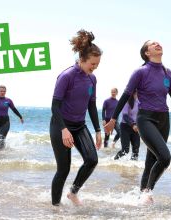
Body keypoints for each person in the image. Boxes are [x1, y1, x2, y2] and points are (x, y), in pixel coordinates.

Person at [105, 40, 171, 205]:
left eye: (159, 43)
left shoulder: (167, 72)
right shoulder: (140, 72)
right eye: (153, 44)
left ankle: (141, 198)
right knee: (165, 157)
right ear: (147, 53)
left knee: (151, 161)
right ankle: (148, 191)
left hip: (164, 119)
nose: (158, 44)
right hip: (145, 119)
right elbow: (126, 95)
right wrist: (113, 119)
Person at [50, 29, 102, 206]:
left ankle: (73, 192)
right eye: (92, 64)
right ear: (82, 59)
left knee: (92, 160)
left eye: (97, 64)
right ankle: (55, 208)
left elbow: (92, 106)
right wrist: (64, 130)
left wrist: (97, 130)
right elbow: (54, 106)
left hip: (79, 126)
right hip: (61, 126)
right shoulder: (66, 76)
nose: (94, 68)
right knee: (63, 170)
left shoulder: (92, 80)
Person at [0, 85, 24, 150]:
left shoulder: (8, 100)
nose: (3, 92)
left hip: (5, 121)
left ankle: (2, 153)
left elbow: (14, 109)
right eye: (1, 91)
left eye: (4, 91)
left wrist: (20, 117)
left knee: (1, 138)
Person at [114, 91, 140, 160]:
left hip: (135, 128)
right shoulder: (127, 102)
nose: (137, 94)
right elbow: (125, 116)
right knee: (125, 150)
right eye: (136, 93)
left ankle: (133, 167)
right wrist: (133, 124)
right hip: (125, 127)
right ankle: (114, 161)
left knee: (136, 150)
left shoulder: (139, 102)